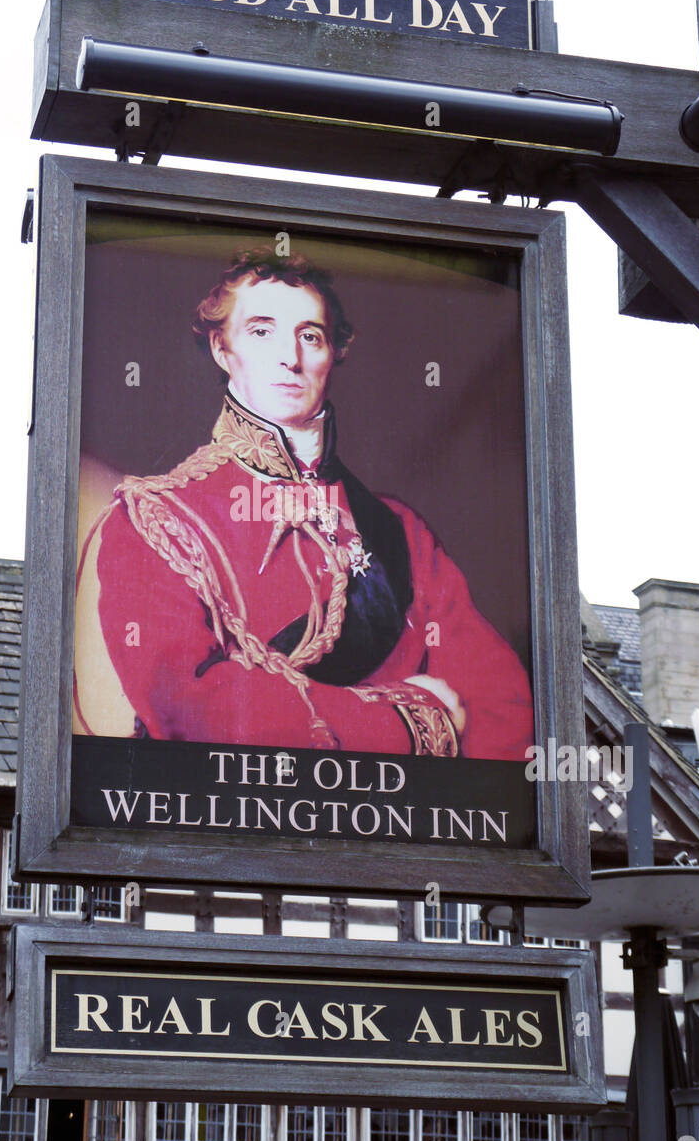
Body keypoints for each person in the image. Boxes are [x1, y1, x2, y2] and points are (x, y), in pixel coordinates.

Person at [74, 247, 533, 759]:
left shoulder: (400, 531)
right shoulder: (155, 521)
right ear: (222, 349)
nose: (290, 358)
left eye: (310, 336)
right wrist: (412, 724)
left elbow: (503, 710)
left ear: (333, 353)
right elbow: (192, 709)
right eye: (262, 331)